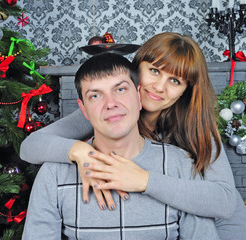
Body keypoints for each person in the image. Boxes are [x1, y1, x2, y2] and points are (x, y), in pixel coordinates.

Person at [20, 32, 246, 239]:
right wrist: (81, 152)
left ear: (186, 89)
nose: (159, 87)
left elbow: (226, 203)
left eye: (175, 81)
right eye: (155, 71)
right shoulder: (109, 111)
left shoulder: (195, 128)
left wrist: (143, 180)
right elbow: (31, 146)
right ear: (137, 69)